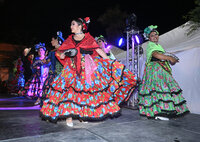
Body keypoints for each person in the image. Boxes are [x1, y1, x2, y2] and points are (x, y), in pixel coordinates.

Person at [40, 17, 136, 127]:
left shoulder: (88, 38)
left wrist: (111, 62)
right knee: (69, 92)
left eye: (73, 24)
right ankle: (68, 116)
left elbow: (98, 50)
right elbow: (61, 54)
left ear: (80, 26)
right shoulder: (69, 39)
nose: (71, 26)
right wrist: (67, 52)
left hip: (86, 67)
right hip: (71, 68)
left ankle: (82, 115)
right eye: (71, 24)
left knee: (83, 92)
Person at [138, 25, 189, 120]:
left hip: (161, 68)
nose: (155, 36)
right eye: (153, 35)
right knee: (159, 88)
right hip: (155, 70)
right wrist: (169, 58)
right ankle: (160, 113)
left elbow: (162, 56)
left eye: (156, 35)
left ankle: (163, 111)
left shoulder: (158, 46)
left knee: (163, 89)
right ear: (149, 38)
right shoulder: (150, 45)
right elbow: (156, 55)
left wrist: (170, 60)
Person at [40, 37, 63, 106]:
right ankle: (49, 104)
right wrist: (45, 60)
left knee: (59, 88)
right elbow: (47, 62)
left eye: (53, 40)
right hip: (52, 72)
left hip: (60, 72)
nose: (51, 41)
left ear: (58, 41)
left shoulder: (62, 50)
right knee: (48, 86)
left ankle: (59, 103)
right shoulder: (52, 52)